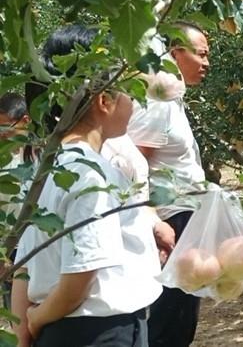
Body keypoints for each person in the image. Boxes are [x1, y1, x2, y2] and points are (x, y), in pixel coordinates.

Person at [11, 26, 162, 347]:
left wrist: (23, 327)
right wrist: (36, 318)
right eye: (128, 91)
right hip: (99, 331)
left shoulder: (46, 169)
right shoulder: (90, 174)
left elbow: (25, 260)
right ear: (104, 101)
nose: (135, 102)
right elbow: (81, 275)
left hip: (60, 329)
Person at [125, 22, 211, 347]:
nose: (206, 63)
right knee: (169, 320)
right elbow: (136, 164)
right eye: (201, 54)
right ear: (175, 54)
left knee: (181, 316)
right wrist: (153, 221)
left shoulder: (172, 100)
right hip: (170, 221)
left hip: (181, 216)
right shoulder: (159, 101)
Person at [1, 92, 29, 310]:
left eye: (6, 127)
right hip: (10, 252)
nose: (2, 135)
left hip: (38, 249)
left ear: (25, 121)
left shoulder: (42, 156)